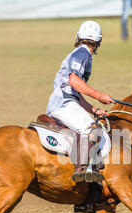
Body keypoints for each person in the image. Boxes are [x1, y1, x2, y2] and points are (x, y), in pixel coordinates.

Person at [46, 21, 115, 183]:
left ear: (79, 36)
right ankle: (82, 170)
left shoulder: (79, 53)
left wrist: (94, 110)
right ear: (98, 41)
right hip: (63, 104)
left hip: (65, 102)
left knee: (92, 123)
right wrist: (99, 96)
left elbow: (75, 93)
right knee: (92, 129)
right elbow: (74, 81)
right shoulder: (82, 54)